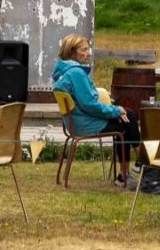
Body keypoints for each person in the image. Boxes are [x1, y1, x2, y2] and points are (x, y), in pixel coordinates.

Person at [52, 33, 143, 182]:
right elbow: (90, 105)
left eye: (88, 49)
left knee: (126, 116)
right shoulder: (76, 73)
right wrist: (116, 110)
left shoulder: (63, 72)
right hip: (85, 123)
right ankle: (140, 166)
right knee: (128, 119)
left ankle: (132, 169)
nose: (89, 53)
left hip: (75, 122)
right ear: (72, 52)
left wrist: (115, 110)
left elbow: (85, 100)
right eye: (84, 50)